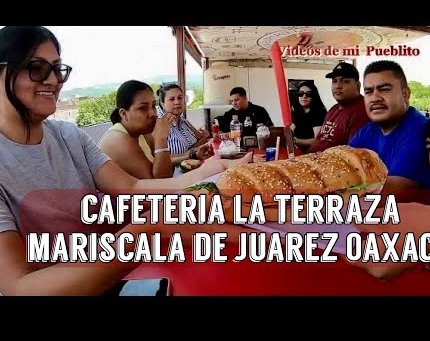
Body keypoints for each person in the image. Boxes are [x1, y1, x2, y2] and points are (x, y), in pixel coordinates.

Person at [0, 26, 254, 296]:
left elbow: (131, 186)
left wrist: (211, 169)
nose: (53, 81)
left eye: (58, 69)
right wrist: (150, 228)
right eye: (37, 68)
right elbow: (18, 286)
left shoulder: (68, 136)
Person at [349, 60, 430, 194]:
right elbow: (340, 165)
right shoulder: (368, 130)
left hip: (413, 213)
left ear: (405, 94)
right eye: (368, 91)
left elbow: (391, 190)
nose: (375, 98)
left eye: (384, 89)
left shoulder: (420, 131)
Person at [98, 80, 175, 179]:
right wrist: (161, 138)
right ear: (123, 114)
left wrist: (189, 154)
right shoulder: (118, 140)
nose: (152, 113)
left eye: (153, 106)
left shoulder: (142, 133)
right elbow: (159, 182)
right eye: (143, 108)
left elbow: (161, 162)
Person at [308, 62, 370, 153]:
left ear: (358, 86)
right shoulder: (334, 109)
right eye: (334, 81)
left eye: (345, 81)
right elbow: (319, 140)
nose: (338, 86)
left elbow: (352, 155)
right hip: (314, 162)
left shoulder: (362, 111)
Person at [156, 83, 214, 163]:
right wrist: (188, 155)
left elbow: (202, 138)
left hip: (193, 165)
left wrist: (191, 151)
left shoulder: (181, 119)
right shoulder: (157, 123)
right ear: (162, 103)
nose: (177, 102)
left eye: (180, 98)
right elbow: (157, 158)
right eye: (172, 99)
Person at [290, 81, 327, 153]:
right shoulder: (298, 111)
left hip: (313, 153)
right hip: (298, 151)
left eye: (308, 94)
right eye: (300, 94)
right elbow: (291, 130)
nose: (304, 96)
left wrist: (295, 141)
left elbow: (317, 140)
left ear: (314, 96)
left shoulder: (319, 112)